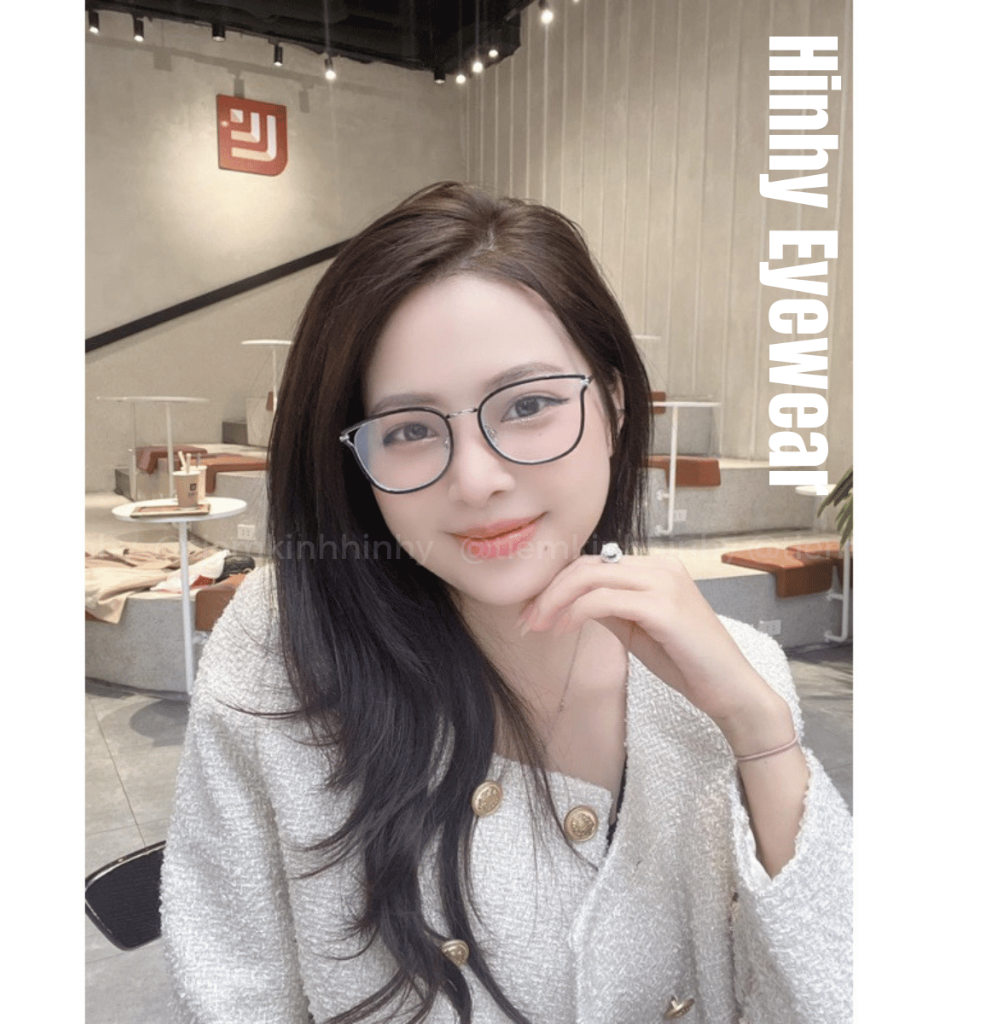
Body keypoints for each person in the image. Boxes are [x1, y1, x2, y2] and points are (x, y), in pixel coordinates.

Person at [160, 182, 853, 1024]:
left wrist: (759, 728)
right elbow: (234, 992)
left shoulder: (735, 676)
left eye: (528, 406)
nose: (477, 479)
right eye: (409, 429)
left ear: (614, 405)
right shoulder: (285, 647)